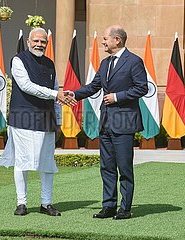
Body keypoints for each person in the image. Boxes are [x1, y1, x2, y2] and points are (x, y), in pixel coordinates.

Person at [67, 25, 148, 220]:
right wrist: (73, 94)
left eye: (105, 39)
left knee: (124, 168)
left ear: (117, 40)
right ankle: (109, 206)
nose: (103, 42)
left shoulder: (134, 61)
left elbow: (142, 88)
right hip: (106, 123)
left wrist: (117, 97)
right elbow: (94, 86)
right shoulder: (104, 63)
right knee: (107, 167)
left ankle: (125, 209)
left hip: (124, 123)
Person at [0, 28, 76, 216]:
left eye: (43, 42)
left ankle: (46, 203)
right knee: (22, 162)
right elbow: (27, 86)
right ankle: (21, 203)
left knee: (47, 163)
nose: (39, 44)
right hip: (22, 119)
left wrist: (59, 122)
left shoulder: (50, 64)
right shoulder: (18, 60)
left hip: (46, 120)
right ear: (29, 42)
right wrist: (57, 95)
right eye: (36, 41)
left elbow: (56, 92)